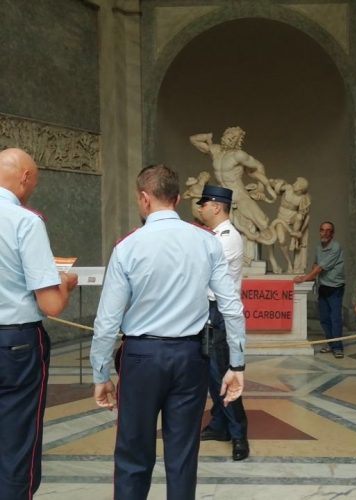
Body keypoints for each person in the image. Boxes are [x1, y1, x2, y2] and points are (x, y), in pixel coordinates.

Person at [90, 164, 246, 500]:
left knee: (132, 454)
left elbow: (107, 320)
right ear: (176, 199)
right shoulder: (207, 242)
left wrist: (100, 372)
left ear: (144, 198)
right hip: (190, 356)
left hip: (141, 357)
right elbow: (232, 306)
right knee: (183, 456)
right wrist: (237, 364)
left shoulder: (128, 246)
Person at [0, 148, 78, 500]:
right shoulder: (25, 221)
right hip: (16, 343)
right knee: (18, 444)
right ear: (26, 178)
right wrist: (66, 284)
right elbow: (51, 305)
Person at [196, 185, 250, 461]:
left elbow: (201, 269)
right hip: (207, 309)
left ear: (216, 206)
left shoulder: (228, 238)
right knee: (210, 373)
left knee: (223, 373)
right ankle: (219, 424)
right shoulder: (214, 235)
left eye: (204, 204)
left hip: (220, 311)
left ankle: (239, 434)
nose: (200, 208)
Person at [190, 127, 277, 249]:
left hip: (238, 194)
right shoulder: (215, 150)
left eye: (234, 137)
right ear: (224, 135)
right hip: (220, 196)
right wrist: (207, 136)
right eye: (229, 134)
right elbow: (193, 139)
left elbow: (259, 166)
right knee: (202, 217)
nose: (230, 138)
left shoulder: (239, 155)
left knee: (262, 223)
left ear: (238, 141)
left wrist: (260, 188)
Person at [294, 221, 345, 358]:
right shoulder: (318, 247)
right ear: (320, 232)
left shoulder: (336, 247)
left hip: (335, 288)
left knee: (335, 319)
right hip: (323, 286)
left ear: (332, 233)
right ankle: (330, 344)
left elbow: (320, 268)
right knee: (324, 318)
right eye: (322, 230)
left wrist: (304, 278)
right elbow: (316, 264)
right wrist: (310, 277)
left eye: (328, 230)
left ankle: (337, 347)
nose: (325, 233)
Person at [268, 177, 311, 275]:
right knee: (281, 240)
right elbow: (274, 186)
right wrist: (273, 182)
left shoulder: (303, 198)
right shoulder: (288, 188)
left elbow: (306, 216)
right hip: (281, 219)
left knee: (299, 216)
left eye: (297, 183)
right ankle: (289, 263)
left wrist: (301, 231)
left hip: (293, 220)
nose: (294, 184)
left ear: (300, 189)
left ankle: (294, 239)